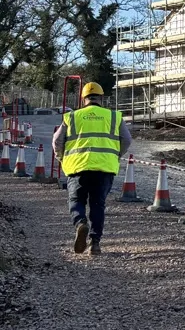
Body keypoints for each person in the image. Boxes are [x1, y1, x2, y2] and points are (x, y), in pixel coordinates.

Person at [52, 82, 132, 255]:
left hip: (77, 167)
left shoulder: (71, 116)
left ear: (83, 99)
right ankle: (95, 244)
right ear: (101, 98)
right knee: (98, 205)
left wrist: (62, 159)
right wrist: (114, 155)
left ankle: (80, 223)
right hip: (104, 169)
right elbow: (127, 140)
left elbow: (57, 142)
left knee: (76, 200)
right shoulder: (114, 116)